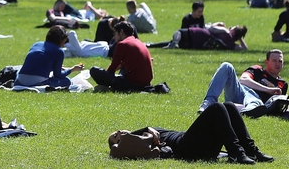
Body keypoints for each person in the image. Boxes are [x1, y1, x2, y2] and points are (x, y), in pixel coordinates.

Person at [108, 102, 273, 164]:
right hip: (185, 146)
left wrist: (149, 128)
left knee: (228, 106)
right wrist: (149, 132)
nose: (118, 132)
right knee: (216, 107)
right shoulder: (133, 143)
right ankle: (236, 152)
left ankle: (251, 150)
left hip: (196, 143)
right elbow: (126, 148)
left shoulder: (142, 131)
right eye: (115, 136)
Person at [197, 50, 287, 118]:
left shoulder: (282, 84)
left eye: (280, 61)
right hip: (240, 92)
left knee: (256, 103)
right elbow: (243, 80)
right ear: (266, 62)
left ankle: (241, 110)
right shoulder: (257, 70)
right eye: (274, 61)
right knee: (227, 66)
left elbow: (279, 106)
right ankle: (208, 102)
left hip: (258, 105)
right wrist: (267, 89)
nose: (277, 64)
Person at [90, 21, 153, 92]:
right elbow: (122, 64)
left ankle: (108, 88)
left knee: (94, 70)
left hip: (132, 84)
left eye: (115, 33)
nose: (114, 37)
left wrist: (105, 76)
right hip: (146, 83)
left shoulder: (122, 44)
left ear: (121, 32)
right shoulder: (138, 42)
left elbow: (112, 68)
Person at [15, 25, 84, 88]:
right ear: (61, 39)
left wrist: (54, 67)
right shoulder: (59, 51)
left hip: (21, 79)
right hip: (38, 81)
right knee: (67, 81)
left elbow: (37, 64)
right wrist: (72, 69)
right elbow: (58, 75)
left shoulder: (36, 44)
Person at [157, 23, 248, 51]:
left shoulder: (226, 31)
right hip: (199, 45)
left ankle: (175, 43)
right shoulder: (231, 44)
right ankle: (151, 45)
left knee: (179, 32)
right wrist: (240, 38)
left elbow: (211, 28)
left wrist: (218, 24)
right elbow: (244, 48)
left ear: (234, 30)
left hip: (200, 34)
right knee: (179, 43)